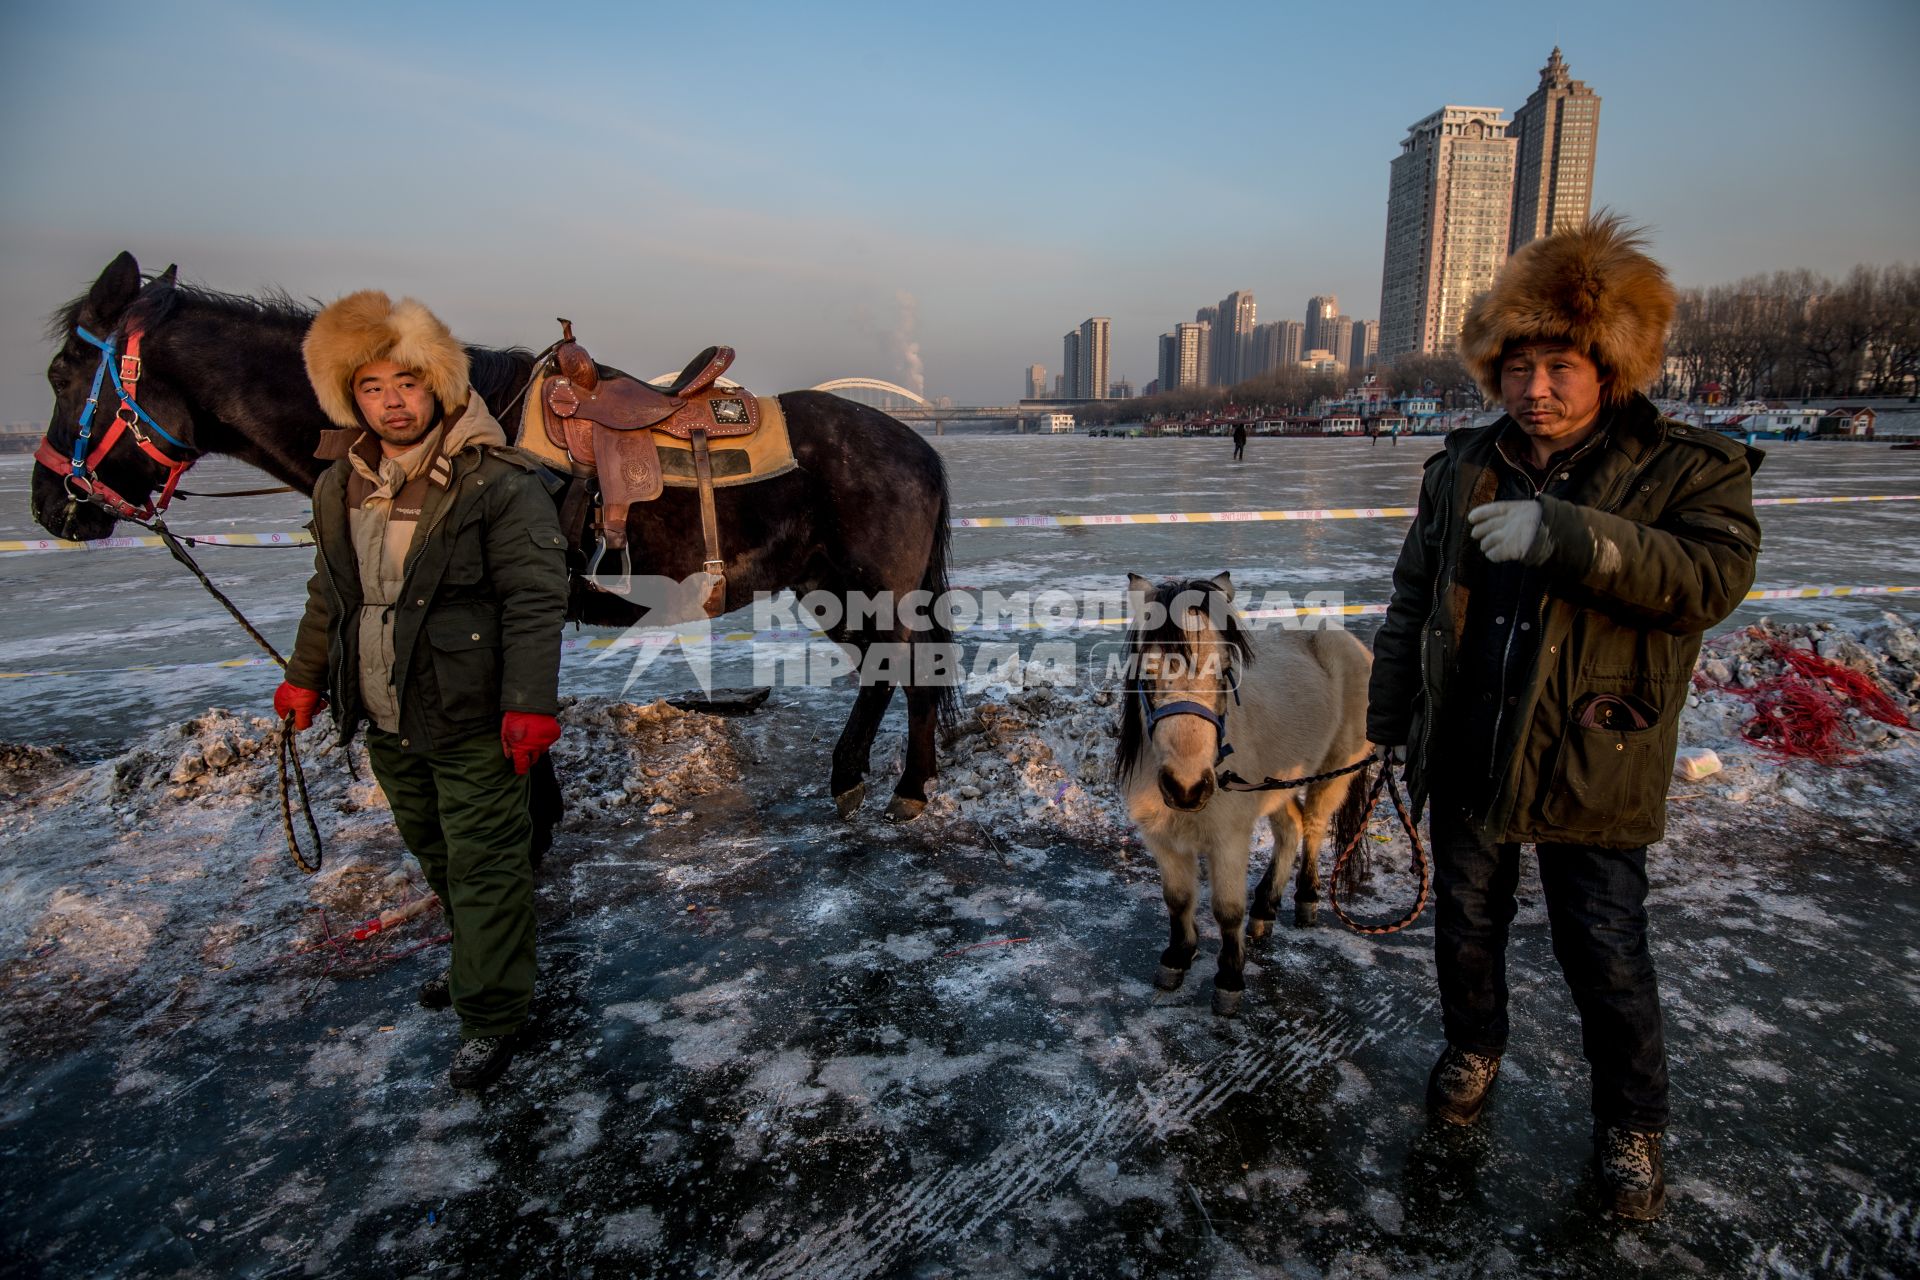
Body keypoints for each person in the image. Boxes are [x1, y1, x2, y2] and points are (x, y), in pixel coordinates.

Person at [1366, 216, 1761, 1220]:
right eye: (1516, 367)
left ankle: (1632, 1121)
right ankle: (1474, 1043)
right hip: (1466, 738)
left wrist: (1567, 534)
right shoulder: (1461, 468)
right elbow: (1414, 597)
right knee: (1466, 925)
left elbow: (1711, 578)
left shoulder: (1686, 467)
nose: (1534, 390)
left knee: (1605, 949)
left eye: (1559, 366)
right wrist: (1389, 716)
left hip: (1595, 746)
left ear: (1609, 366)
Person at [274, 292, 570, 1091]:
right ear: (350, 396)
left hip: (473, 712)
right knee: (435, 851)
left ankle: (494, 1012)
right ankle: (482, 961)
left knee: (484, 863)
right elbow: (329, 592)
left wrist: (531, 704)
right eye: (372, 387)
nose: (392, 402)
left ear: (437, 383)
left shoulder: (498, 482)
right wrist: (304, 677)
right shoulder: (342, 482)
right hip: (384, 710)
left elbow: (536, 599)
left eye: (406, 382)